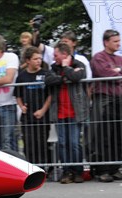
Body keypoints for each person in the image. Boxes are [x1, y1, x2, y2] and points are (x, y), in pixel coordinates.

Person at [90, 29, 122, 182]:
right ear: (106, 42)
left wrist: (118, 71)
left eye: (119, 41)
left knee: (119, 135)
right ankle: (103, 170)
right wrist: (119, 74)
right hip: (105, 101)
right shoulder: (98, 57)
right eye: (115, 41)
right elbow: (106, 74)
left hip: (121, 101)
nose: (118, 44)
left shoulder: (121, 59)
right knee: (104, 136)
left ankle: (115, 168)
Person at [45, 42, 88, 183]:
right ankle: (66, 171)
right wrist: (64, 78)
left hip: (75, 111)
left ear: (64, 54)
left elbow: (77, 77)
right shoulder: (52, 67)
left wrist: (65, 67)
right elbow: (48, 80)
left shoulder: (79, 64)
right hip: (59, 111)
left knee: (74, 143)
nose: (53, 57)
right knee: (63, 143)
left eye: (56, 55)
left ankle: (77, 171)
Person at [15, 46, 52, 165]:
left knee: (42, 143)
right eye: (35, 59)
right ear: (28, 61)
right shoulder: (22, 76)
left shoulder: (46, 73)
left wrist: (43, 110)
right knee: (29, 143)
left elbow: (50, 95)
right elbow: (17, 94)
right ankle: (31, 166)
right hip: (28, 117)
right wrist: (21, 106)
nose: (38, 61)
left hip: (42, 116)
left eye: (40, 58)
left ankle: (44, 167)